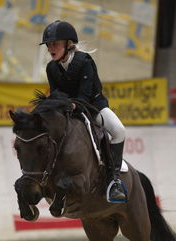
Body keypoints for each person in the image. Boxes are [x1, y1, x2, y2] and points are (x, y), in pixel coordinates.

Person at [40, 20, 127, 203]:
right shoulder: (51, 68)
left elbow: (85, 95)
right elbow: (56, 94)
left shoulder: (84, 61)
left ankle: (114, 181)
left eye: (55, 44)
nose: (50, 48)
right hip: (67, 111)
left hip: (93, 107)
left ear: (68, 44)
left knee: (119, 131)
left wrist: (70, 106)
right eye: (48, 45)